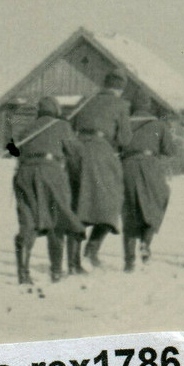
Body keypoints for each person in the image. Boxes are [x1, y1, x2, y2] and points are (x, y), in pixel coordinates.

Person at [7, 96, 85, 285]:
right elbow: (76, 152)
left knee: (28, 221)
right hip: (51, 173)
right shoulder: (62, 126)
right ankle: (56, 271)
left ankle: (23, 275)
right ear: (56, 111)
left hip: (24, 175)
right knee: (57, 219)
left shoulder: (28, 129)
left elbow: (13, 149)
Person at [67, 70, 133, 271]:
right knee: (112, 202)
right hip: (100, 152)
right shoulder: (121, 105)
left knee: (77, 203)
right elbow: (125, 140)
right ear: (120, 89)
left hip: (76, 151)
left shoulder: (85, 100)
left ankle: (73, 261)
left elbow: (69, 125)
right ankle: (92, 249)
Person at [120, 93, 177, 272]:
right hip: (150, 166)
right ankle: (146, 243)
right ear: (149, 107)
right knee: (157, 202)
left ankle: (129, 262)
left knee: (129, 211)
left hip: (127, 167)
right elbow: (170, 151)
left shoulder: (125, 123)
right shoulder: (158, 124)